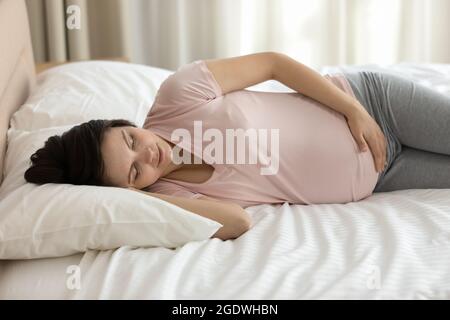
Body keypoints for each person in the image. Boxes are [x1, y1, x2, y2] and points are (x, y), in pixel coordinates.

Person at [24, 52, 450, 239]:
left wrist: (355, 111)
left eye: (131, 140)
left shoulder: (178, 96)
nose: (148, 154)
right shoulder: (172, 195)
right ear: (130, 190)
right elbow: (237, 223)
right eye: (135, 171)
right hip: (380, 177)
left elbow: (273, 63)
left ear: (126, 124)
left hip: (374, 106)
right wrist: (139, 199)